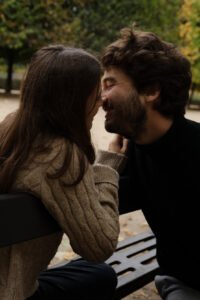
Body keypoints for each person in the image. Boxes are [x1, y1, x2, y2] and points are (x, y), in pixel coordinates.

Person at [0, 45, 127, 300]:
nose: (101, 102)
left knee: (91, 273)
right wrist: (109, 163)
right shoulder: (60, 155)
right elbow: (99, 245)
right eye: (95, 93)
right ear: (73, 99)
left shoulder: (12, 126)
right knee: (102, 274)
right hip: (13, 293)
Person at [100, 27, 200, 300]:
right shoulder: (133, 154)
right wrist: (108, 163)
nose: (101, 98)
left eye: (110, 84)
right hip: (183, 283)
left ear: (151, 90)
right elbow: (95, 213)